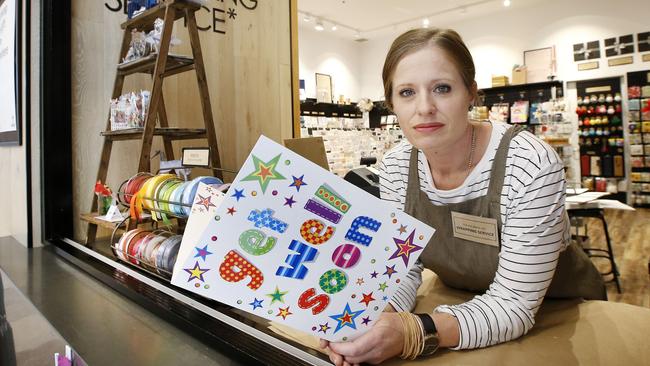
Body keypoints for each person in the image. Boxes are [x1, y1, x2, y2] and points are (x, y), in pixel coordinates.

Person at [320, 28, 605, 365]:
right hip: (459, 304)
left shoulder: (528, 164)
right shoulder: (396, 167)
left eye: (442, 88)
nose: (424, 107)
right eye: (407, 92)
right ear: (391, 104)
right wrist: (368, 318)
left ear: (472, 93)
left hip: (555, 310)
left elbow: (514, 303)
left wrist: (412, 333)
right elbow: (403, 268)